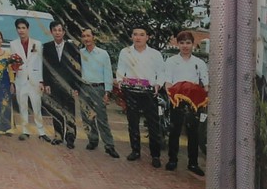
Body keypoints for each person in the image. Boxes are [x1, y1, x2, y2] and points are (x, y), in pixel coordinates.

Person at [161, 28, 208, 175]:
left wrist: (204, 98)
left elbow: (205, 84)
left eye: (188, 43)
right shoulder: (171, 61)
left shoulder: (199, 63)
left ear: (193, 44)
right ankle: (172, 160)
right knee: (174, 131)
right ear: (177, 44)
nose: (185, 46)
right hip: (177, 100)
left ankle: (193, 163)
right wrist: (171, 98)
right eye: (182, 43)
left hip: (194, 102)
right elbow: (168, 82)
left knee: (193, 133)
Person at [115, 25, 164, 166]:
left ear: (147, 37)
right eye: (135, 34)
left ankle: (155, 155)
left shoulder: (155, 54)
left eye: (141, 34)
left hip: (150, 93)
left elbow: (161, 72)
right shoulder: (125, 52)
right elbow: (120, 69)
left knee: (153, 125)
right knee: (132, 123)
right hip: (131, 92)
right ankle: (135, 151)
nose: (138, 37)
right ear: (131, 36)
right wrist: (120, 80)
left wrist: (158, 84)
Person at [76, 25, 116, 156]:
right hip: (84, 88)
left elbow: (108, 73)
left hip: (99, 89)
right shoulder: (79, 54)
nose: (86, 38)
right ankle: (92, 140)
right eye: (83, 36)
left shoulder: (103, 54)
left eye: (88, 35)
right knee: (87, 117)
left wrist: (107, 92)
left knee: (102, 118)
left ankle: (109, 145)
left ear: (94, 37)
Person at [41, 19, 82, 147]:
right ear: (51, 32)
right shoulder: (47, 47)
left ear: (64, 32)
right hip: (53, 86)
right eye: (55, 30)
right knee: (56, 111)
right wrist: (46, 84)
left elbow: (77, 68)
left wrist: (76, 87)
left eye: (60, 30)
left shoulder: (72, 48)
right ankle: (58, 136)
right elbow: (45, 67)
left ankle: (70, 138)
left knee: (70, 112)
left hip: (69, 86)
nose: (57, 33)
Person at [10, 17, 45, 142]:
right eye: (19, 28)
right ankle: (25, 131)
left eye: (23, 28)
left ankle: (41, 131)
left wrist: (41, 81)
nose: (21, 31)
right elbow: (13, 63)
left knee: (37, 106)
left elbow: (40, 63)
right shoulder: (13, 44)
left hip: (35, 80)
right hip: (20, 80)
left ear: (28, 29)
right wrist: (13, 81)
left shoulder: (37, 44)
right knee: (22, 106)